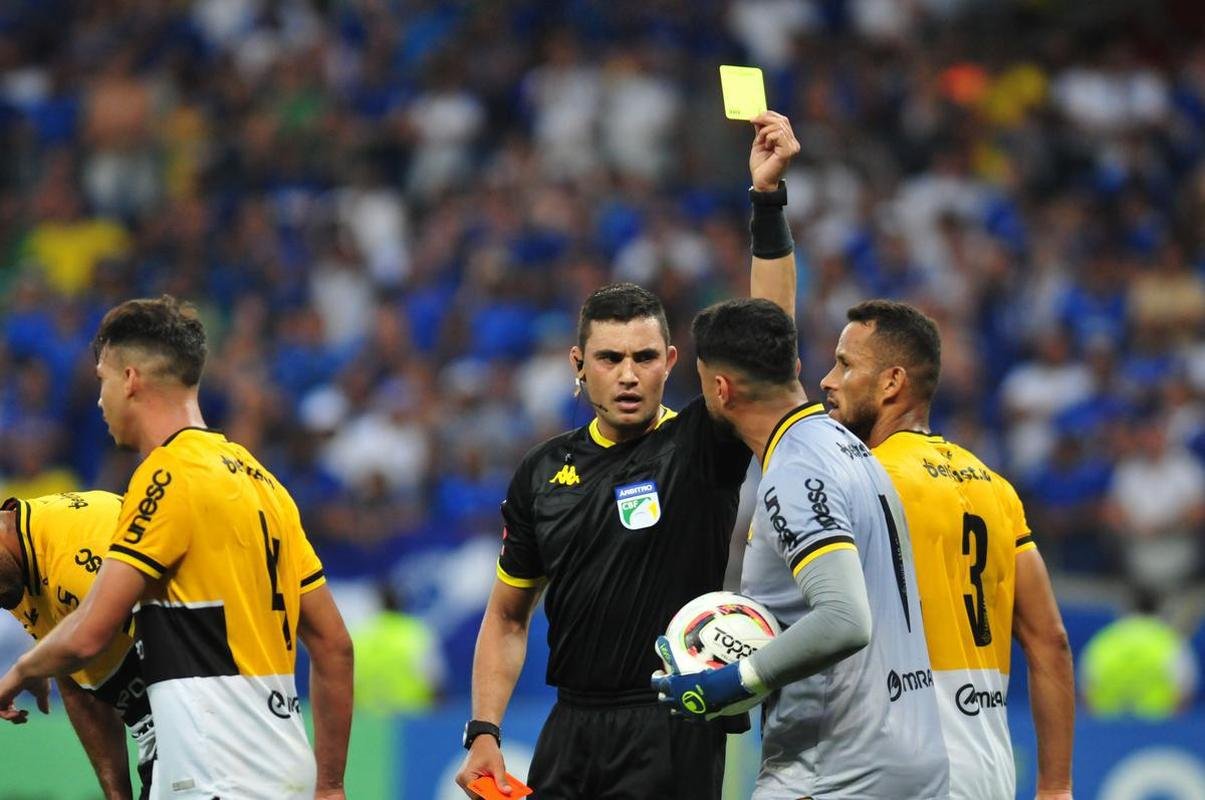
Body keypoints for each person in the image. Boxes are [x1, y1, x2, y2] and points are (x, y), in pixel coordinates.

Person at [455, 111, 801, 799]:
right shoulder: (541, 472)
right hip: (569, 727)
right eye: (610, 358)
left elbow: (769, 339)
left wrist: (766, 201)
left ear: (670, 362)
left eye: (644, 358)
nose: (628, 375)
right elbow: (508, 616)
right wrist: (484, 729)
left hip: (672, 725)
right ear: (578, 365)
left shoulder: (700, 446)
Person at [0, 295, 355, 800]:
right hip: (283, 767)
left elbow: (91, 632)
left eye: (103, 379)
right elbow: (335, 645)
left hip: (214, 773)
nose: (99, 401)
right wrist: (331, 785)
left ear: (130, 379)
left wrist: (21, 670)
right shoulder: (264, 483)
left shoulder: (166, 477)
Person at [653, 298, 949, 799]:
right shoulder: (850, 448)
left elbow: (844, 618)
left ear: (721, 390)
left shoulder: (796, 470)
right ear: (794, 367)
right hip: (911, 752)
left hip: (836, 769)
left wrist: (733, 682)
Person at [819, 299, 1074, 800]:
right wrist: (1056, 786)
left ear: (891, 383)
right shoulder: (996, 488)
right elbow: (1051, 641)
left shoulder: (861, 481)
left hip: (892, 767)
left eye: (845, 364)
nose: (828, 380)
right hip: (987, 771)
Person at [0, 490, 155, 799]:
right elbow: (79, 684)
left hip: (206, 716)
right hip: (163, 733)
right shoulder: (14, 572)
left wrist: (26, 669)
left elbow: (85, 642)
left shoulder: (72, 548)